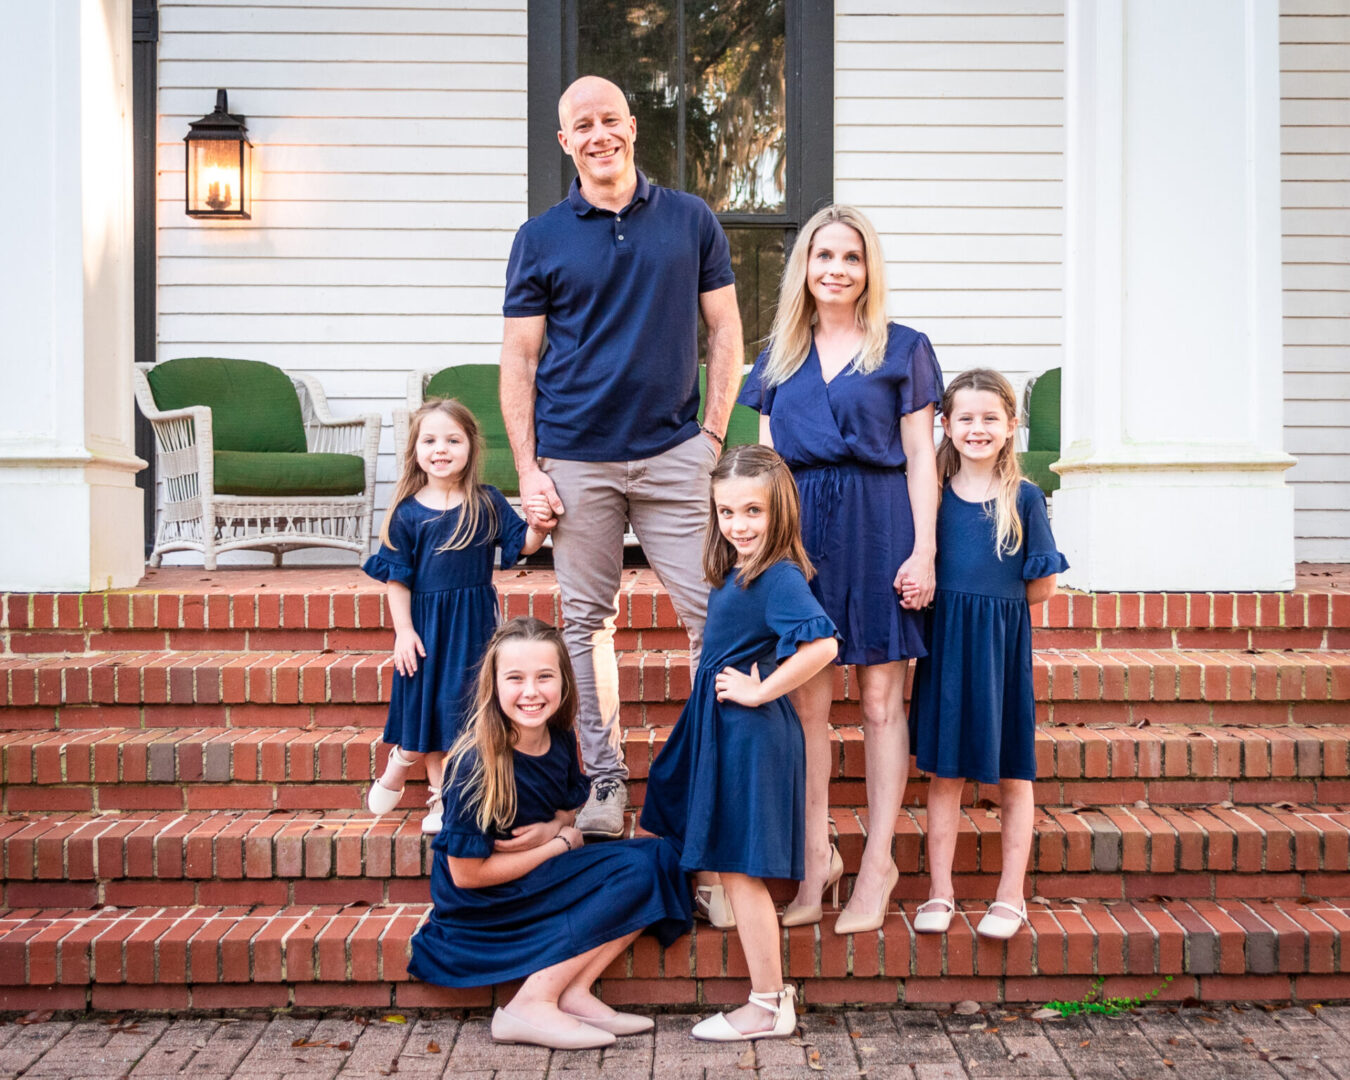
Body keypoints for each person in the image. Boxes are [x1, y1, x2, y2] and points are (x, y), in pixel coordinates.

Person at [500, 75, 744, 839]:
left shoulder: (691, 220)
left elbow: (727, 333)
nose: (599, 132)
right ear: (565, 141)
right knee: (584, 623)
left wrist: (711, 434)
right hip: (577, 460)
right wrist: (530, 468)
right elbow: (520, 360)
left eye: (611, 119)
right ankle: (605, 782)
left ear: (632, 128)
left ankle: (714, 774)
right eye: (583, 123)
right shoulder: (540, 237)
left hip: (677, 454)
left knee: (716, 618)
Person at [737, 205, 942, 933]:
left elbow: (921, 456)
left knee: (882, 703)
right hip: (802, 538)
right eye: (824, 255)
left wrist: (925, 549)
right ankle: (817, 854)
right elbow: (763, 468)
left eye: (851, 257)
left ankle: (878, 863)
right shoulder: (778, 357)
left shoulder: (904, 348)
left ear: (867, 269)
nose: (836, 269)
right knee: (807, 709)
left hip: (880, 523)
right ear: (805, 267)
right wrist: (761, 555)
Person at [407, 617, 692, 1049]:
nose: (531, 692)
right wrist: (555, 843)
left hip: (536, 872)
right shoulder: (475, 764)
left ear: (564, 682)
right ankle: (532, 1003)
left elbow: (566, 812)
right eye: (516, 678)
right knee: (636, 874)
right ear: (494, 684)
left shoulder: (557, 737)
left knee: (662, 857)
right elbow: (465, 876)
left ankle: (575, 993)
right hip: (486, 902)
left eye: (545, 677)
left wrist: (554, 829)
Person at [641, 446, 839, 1041]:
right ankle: (767, 998)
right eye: (727, 512)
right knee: (726, 865)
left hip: (750, 735)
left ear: (780, 510)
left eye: (753, 511)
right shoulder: (739, 569)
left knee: (742, 873)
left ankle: (767, 1004)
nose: (739, 525)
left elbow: (823, 646)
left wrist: (760, 693)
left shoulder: (777, 574)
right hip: (724, 729)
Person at [907, 369, 1068, 939]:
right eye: (965, 419)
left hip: (999, 648)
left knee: (1012, 774)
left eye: (990, 419)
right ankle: (940, 891)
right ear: (945, 426)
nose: (977, 429)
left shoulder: (1023, 497)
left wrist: (989, 605)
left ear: (1010, 426)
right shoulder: (930, 499)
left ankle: (1009, 895)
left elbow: (1043, 584)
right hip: (945, 648)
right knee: (944, 774)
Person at [364, 400, 555, 833]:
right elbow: (397, 579)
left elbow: (521, 543)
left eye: (453, 440)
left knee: (460, 710)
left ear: (470, 447)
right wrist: (404, 633)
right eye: (429, 440)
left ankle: (442, 796)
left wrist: (540, 527)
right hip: (426, 628)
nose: (441, 449)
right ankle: (415, 774)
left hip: (473, 626)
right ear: (415, 450)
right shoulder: (407, 513)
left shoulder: (484, 501)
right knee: (427, 710)